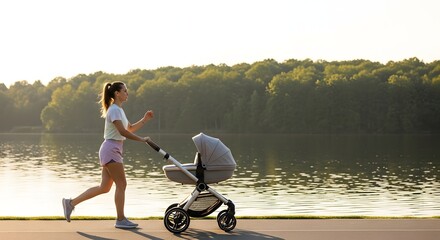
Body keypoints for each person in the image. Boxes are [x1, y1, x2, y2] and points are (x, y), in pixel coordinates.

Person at [62, 81, 154, 229]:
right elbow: (122, 132)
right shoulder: (114, 110)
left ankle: (70, 203)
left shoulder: (119, 110)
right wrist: (142, 140)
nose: (127, 93)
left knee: (104, 188)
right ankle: (121, 219)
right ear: (117, 93)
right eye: (124, 91)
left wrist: (145, 120)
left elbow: (129, 128)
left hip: (112, 149)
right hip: (111, 149)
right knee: (122, 184)